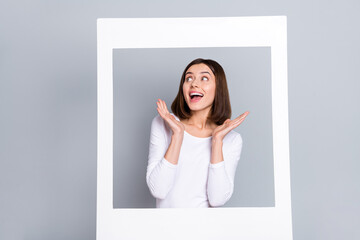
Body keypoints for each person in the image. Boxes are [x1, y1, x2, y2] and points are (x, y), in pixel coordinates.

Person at [146, 58, 249, 208]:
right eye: (189, 78)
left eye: (204, 78)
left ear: (218, 88)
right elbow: (158, 190)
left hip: (207, 229)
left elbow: (217, 199)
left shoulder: (232, 139)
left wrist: (217, 141)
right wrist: (177, 136)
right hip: (165, 228)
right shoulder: (163, 123)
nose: (194, 83)